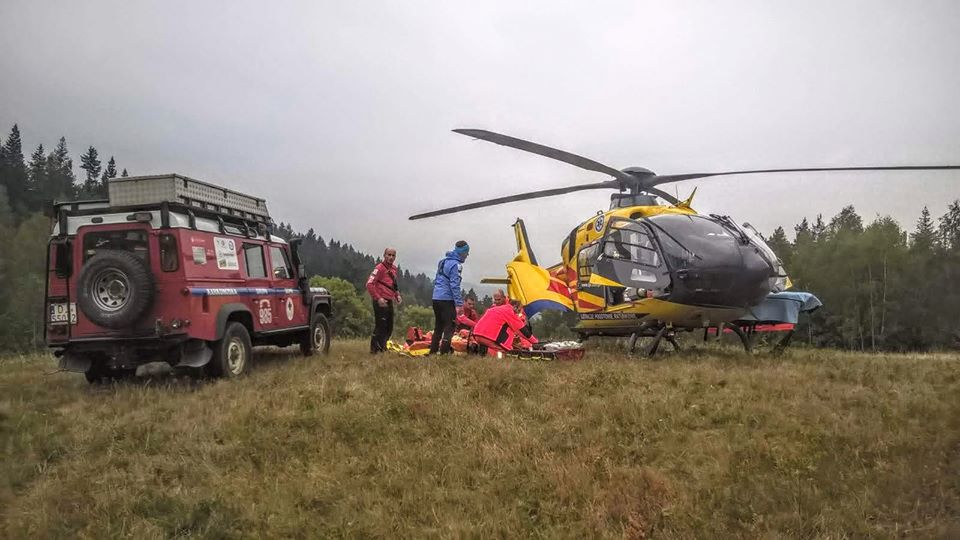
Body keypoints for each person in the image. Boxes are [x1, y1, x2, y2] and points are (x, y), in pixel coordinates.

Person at [429, 240, 469, 354]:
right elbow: (454, 285)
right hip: (447, 299)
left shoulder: (442, 262)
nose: (467, 255)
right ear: (462, 252)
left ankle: (433, 351)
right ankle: (444, 353)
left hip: (436, 297)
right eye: (467, 252)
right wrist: (459, 304)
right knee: (449, 326)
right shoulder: (456, 265)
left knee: (438, 326)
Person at [366, 247, 401, 353]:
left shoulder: (394, 269)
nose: (390, 257)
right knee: (380, 326)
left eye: (393, 255)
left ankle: (383, 346)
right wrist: (378, 298)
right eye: (388, 255)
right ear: (384, 255)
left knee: (389, 326)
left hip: (389, 300)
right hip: (380, 301)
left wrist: (397, 295)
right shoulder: (379, 268)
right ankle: (375, 350)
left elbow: (393, 284)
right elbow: (369, 284)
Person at [472, 300, 538, 354]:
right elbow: (522, 330)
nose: (520, 311)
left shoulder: (495, 309)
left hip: (477, 334)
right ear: (515, 306)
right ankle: (482, 351)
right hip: (489, 337)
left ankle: (476, 348)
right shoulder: (509, 312)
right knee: (506, 353)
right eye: (520, 309)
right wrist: (535, 342)